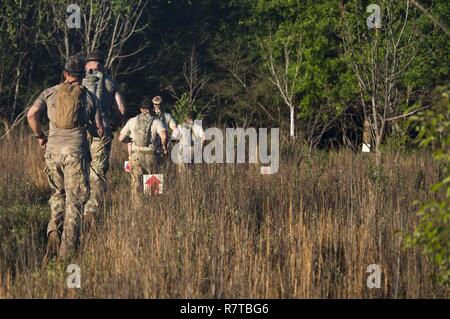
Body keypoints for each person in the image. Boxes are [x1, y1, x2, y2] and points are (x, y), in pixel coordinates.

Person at [27, 54, 103, 262]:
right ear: (81, 76)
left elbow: (31, 115)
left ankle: (53, 238)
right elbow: (99, 131)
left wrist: (41, 136)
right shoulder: (89, 97)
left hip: (52, 153)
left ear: (65, 73)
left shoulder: (49, 93)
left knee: (57, 195)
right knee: (75, 201)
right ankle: (67, 254)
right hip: (75, 155)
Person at [83, 50, 126, 226]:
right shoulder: (109, 82)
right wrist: (115, 124)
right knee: (98, 170)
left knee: (79, 168)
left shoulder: (80, 80)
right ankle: (92, 210)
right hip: (103, 131)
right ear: (104, 65)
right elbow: (122, 108)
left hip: (81, 130)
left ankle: (76, 206)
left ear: (87, 65)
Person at [119, 99, 168, 202]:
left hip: (136, 155)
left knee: (136, 184)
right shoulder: (157, 122)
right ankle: (153, 206)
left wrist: (129, 140)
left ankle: (137, 208)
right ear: (152, 109)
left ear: (140, 109)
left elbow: (121, 138)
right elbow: (164, 136)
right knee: (153, 184)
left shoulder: (132, 121)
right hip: (152, 155)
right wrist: (164, 147)